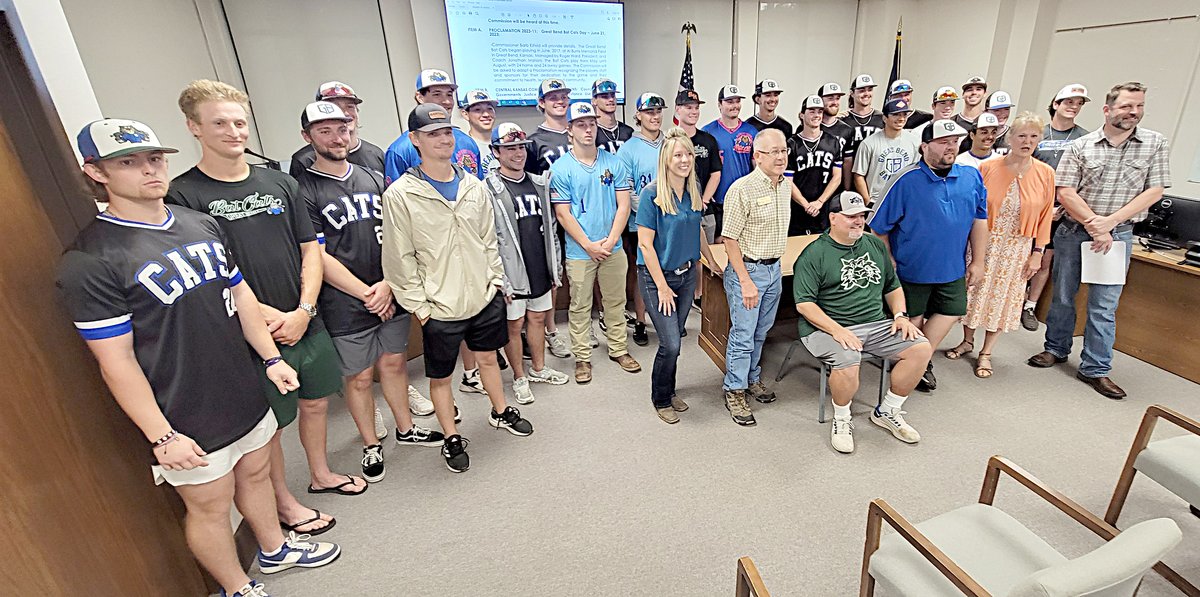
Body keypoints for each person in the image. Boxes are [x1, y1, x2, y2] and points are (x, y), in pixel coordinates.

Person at [61, 119, 340, 597]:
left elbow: (241, 294)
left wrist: (271, 359)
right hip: (183, 407)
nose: (149, 170)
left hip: (240, 381)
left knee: (256, 473)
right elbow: (116, 361)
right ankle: (236, 587)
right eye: (128, 162)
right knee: (210, 505)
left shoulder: (197, 222)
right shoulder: (91, 260)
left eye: (154, 158)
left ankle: (274, 548)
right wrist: (161, 435)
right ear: (96, 172)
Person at [166, 80, 358, 536]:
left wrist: (304, 310)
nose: (234, 132)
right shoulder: (183, 195)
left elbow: (310, 249)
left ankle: (320, 473)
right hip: (250, 333)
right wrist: (268, 317)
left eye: (240, 123)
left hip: (305, 318)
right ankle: (284, 503)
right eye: (220, 123)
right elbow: (214, 274)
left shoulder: (280, 182)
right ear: (194, 127)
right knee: (270, 425)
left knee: (316, 402)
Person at [294, 101, 443, 485]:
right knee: (359, 377)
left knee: (394, 365)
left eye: (342, 128)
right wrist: (366, 293)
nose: (337, 138)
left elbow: (399, 234)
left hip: (388, 289)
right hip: (345, 300)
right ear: (307, 137)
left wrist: (389, 284)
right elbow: (316, 255)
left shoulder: (373, 178)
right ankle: (371, 443)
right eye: (325, 131)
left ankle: (406, 429)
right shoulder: (304, 189)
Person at [381, 104, 535, 474]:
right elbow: (399, 259)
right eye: (432, 134)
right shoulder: (401, 194)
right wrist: (420, 308)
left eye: (447, 132)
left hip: (482, 296)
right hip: (439, 306)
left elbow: (488, 240)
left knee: (488, 359)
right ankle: (451, 436)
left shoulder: (473, 186)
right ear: (415, 140)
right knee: (440, 377)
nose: (443, 140)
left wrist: (495, 281)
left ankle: (500, 410)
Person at [1028, 82, 1171, 400]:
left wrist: (1110, 223)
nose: (1133, 112)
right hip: (1074, 232)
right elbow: (1066, 191)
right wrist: (1095, 224)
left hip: (1117, 236)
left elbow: (1155, 190)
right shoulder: (1082, 145)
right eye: (1126, 106)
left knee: (1104, 306)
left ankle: (1095, 368)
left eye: (1139, 106)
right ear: (1107, 110)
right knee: (1063, 296)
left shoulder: (1154, 143)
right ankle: (1055, 349)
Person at [792, 191, 932, 453]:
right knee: (848, 359)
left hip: (875, 323)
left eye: (862, 216)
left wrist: (900, 316)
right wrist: (837, 330)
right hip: (825, 328)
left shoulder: (874, 244)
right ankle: (842, 419)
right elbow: (804, 305)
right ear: (833, 218)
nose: (858, 221)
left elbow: (892, 285)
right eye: (851, 216)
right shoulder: (814, 254)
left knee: (921, 348)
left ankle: (887, 411)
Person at [870, 119, 989, 393]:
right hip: (912, 268)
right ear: (924, 147)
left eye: (955, 141)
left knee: (953, 310)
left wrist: (978, 261)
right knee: (913, 319)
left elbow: (980, 219)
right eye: (943, 142)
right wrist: (888, 261)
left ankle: (919, 360)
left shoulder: (971, 176)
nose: (951, 147)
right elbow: (878, 228)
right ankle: (914, 362)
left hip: (952, 267)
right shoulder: (904, 180)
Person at [945, 112, 1054, 379]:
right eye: (1021, 136)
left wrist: (1037, 253)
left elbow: (1045, 217)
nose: (1027, 142)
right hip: (985, 241)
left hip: (1018, 247)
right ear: (1009, 138)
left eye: (1033, 136)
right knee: (974, 293)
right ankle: (967, 340)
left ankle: (987, 352)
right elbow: (973, 207)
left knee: (1002, 299)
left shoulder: (1046, 174)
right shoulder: (988, 167)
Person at [550, 101, 642, 383]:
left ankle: (618, 349)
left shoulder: (613, 163)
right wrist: (589, 245)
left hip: (613, 247)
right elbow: (563, 214)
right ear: (570, 130)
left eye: (591, 124)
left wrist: (611, 241)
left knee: (616, 302)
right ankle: (582, 357)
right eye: (581, 125)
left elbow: (624, 206)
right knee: (580, 306)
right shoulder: (561, 168)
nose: (588, 130)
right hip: (580, 251)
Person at [636, 128, 718, 424]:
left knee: (676, 342)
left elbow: (697, 230)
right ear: (666, 160)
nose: (685, 160)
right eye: (678, 155)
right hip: (657, 278)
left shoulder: (693, 187)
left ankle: (669, 391)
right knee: (670, 343)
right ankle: (660, 398)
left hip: (686, 277)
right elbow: (645, 245)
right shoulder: (652, 195)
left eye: (688, 154)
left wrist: (711, 262)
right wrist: (661, 287)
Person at [486, 122, 571, 404]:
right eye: (510, 148)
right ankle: (519, 377)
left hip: (538, 264)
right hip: (512, 270)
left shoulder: (538, 183)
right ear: (496, 152)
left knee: (537, 318)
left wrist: (555, 265)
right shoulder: (490, 189)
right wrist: (500, 277)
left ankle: (538, 368)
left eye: (521, 147)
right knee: (514, 325)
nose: (518, 153)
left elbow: (551, 228)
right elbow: (488, 239)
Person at [720, 129, 791, 426]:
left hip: (774, 270)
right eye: (774, 151)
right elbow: (729, 239)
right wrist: (745, 281)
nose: (781, 157)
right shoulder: (742, 189)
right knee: (743, 335)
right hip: (748, 272)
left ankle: (751, 378)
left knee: (762, 332)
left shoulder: (785, 186)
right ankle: (734, 390)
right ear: (757, 156)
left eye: (784, 150)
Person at [1022, 84, 1091, 331]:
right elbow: (1023, 170)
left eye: (1079, 103)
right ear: (1056, 104)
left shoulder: (1085, 138)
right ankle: (1012, 299)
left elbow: (1084, 179)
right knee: (1021, 254)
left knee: (1044, 259)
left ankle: (1030, 306)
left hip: (1062, 211)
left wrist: (1063, 207)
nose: (1074, 107)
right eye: (1069, 102)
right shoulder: (1038, 133)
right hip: (1031, 207)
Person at [617, 92, 667, 346]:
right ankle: (640, 320)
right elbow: (627, 189)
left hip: (671, 220)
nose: (654, 116)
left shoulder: (671, 143)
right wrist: (650, 213)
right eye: (649, 112)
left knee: (670, 270)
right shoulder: (628, 149)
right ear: (638, 115)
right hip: (643, 222)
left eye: (658, 111)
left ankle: (668, 320)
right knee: (644, 273)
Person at [384, 69, 482, 185]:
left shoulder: (467, 142)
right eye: (437, 94)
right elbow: (396, 194)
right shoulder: (400, 150)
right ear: (420, 97)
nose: (446, 101)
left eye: (449, 95)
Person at [289, 81, 385, 178]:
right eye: (335, 107)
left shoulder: (376, 154)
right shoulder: (304, 160)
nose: (345, 113)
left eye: (350, 107)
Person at [701, 84, 758, 238]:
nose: (735, 105)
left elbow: (756, 167)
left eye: (737, 101)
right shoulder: (708, 131)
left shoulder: (751, 131)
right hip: (717, 200)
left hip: (744, 199)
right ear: (719, 104)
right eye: (729, 101)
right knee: (719, 241)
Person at [785, 95, 843, 235]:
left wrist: (820, 202)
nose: (816, 115)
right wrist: (806, 204)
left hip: (824, 209)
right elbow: (787, 180)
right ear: (801, 115)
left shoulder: (833, 142)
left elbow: (837, 177)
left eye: (820, 111)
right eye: (812, 111)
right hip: (798, 210)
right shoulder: (791, 144)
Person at [674, 89, 722, 244]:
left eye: (696, 107)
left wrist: (704, 200)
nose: (694, 112)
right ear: (677, 109)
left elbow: (716, 173)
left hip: (705, 210)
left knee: (708, 253)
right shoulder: (670, 141)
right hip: (678, 209)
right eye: (689, 107)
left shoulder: (708, 140)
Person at [852, 98, 920, 207]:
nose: (901, 119)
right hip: (877, 201)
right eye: (896, 115)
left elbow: (917, 173)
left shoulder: (915, 142)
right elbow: (858, 175)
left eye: (904, 115)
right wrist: (868, 201)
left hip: (904, 200)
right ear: (884, 118)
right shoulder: (869, 143)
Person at [839, 74, 884, 189]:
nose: (866, 93)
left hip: (875, 179)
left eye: (870, 89)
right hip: (847, 178)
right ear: (852, 93)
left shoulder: (882, 118)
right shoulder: (843, 120)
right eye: (861, 90)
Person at [527, 78, 573, 175]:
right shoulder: (533, 142)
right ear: (542, 102)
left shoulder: (580, 132)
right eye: (553, 98)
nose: (560, 101)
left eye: (564, 97)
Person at [460, 89, 500, 176]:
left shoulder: (504, 141)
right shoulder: (463, 146)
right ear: (465, 114)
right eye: (477, 110)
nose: (486, 114)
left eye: (489, 109)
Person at [962, 90, 1014, 156]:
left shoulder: (1014, 135)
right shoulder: (973, 136)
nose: (1002, 113)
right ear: (986, 111)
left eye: (1006, 109)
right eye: (996, 110)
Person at [593, 77, 633, 154]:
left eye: (613, 95)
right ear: (594, 101)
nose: (611, 99)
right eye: (605, 96)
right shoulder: (591, 132)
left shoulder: (628, 131)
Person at [817, 82, 854, 163]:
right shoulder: (809, 127)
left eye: (837, 98)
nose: (835, 102)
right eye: (830, 98)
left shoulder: (847, 130)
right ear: (820, 100)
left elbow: (847, 162)